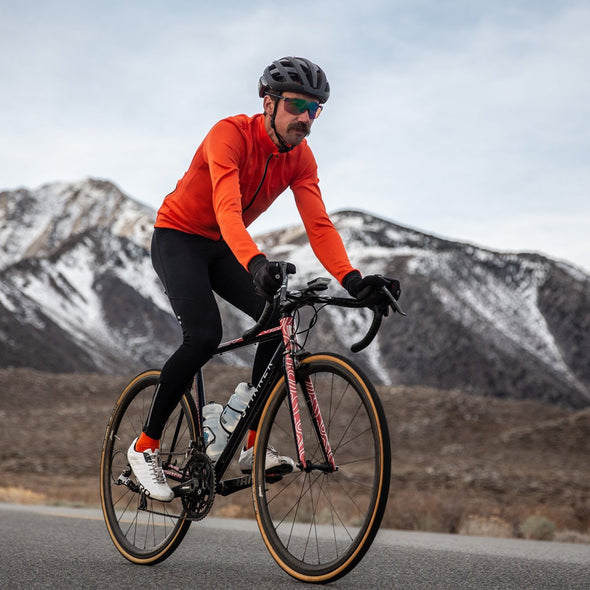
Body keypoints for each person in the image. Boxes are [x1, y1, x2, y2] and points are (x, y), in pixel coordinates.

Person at [127, 56, 401, 501]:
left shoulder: (300, 159)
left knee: (278, 321)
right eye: (296, 105)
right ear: (268, 103)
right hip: (179, 237)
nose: (306, 119)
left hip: (222, 246)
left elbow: (319, 226)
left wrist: (352, 280)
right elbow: (227, 210)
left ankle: (248, 438)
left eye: (315, 110)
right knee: (203, 336)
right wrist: (256, 263)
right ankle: (145, 447)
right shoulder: (228, 135)